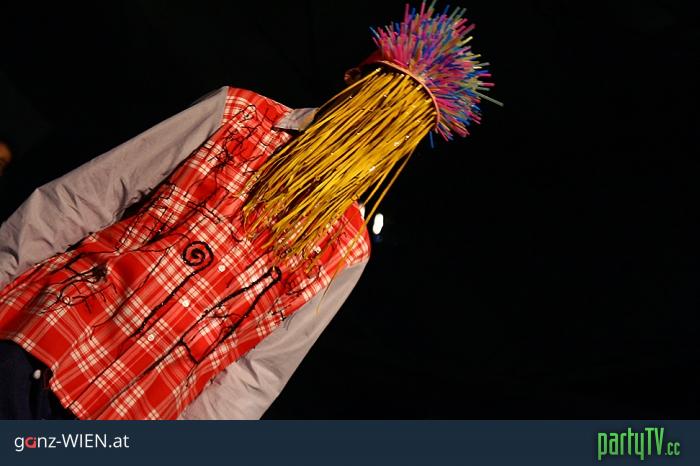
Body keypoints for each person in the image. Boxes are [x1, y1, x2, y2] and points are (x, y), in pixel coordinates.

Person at [0, 2, 497, 420]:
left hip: (124, 413)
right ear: (351, 80)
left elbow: (253, 377)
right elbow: (84, 199)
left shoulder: (347, 247)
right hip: (41, 337)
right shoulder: (237, 116)